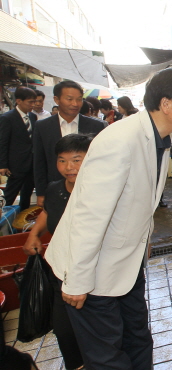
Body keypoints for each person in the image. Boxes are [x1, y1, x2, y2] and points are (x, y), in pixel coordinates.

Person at [44, 68, 172, 370]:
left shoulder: (159, 139)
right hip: (91, 272)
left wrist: (146, 239)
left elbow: (141, 200)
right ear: (166, 103)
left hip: (125, 264)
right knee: (107, 356)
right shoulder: (120, 140)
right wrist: (76, 281)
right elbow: (90, 215)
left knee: (138, 339)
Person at [23, 134, 93, 370]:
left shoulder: (99, 193)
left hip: (92, 279)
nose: (68, 167)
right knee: (64, 332)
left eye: (76, 159)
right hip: (60, 275)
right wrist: (34, 235)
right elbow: (47, 214)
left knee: (95, 334)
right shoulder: (54, 189)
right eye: (62, 160)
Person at [32, 81, 105, 207]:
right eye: (69, 99)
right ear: (56, 99)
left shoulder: (96, 126)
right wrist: (41, 193)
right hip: (55, 188)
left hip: (87, 188)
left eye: (79, 99)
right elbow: (39, 161)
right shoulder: (42, 126)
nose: (75, 104)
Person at [0, 87, 37, 210]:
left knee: (27, 194)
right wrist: (3, 165)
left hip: (31, 162)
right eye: (30, 102)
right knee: (10, 194)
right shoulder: (7, 118)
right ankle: (5, 218)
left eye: (34, 101)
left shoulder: (32, 116)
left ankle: (22, 218)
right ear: (19, 101)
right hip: (16, 164)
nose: (33, 105)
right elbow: (3, 142)